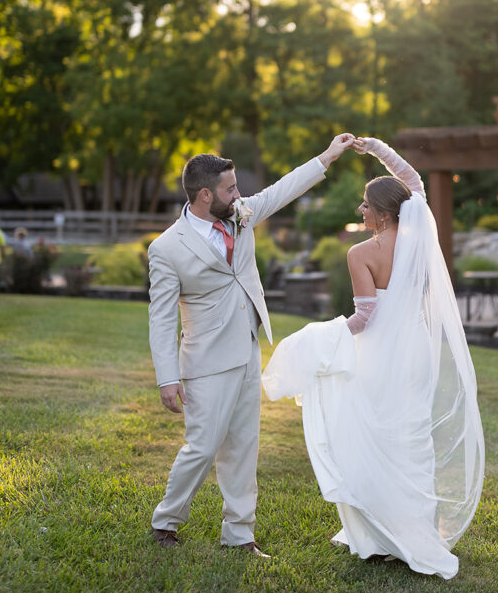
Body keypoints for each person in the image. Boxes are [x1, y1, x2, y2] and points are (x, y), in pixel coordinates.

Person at [262, 137, 484, 578]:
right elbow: (413, 181)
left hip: (381, 353)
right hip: (417, 351)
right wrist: (377, 148)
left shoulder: (362, 253)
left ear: (382, 214)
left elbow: (364, 317)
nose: (360, 211)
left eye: (365, 205)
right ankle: (412, 531)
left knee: (375, 436)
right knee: (411, 439)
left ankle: (383, 535)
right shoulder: (419, 234)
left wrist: (319, 337)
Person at [148, 133, 356, 555]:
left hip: (247, 351)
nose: (239, 194)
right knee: (204, 447)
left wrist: (328, 157)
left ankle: (239, 534)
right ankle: (166, 521)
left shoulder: (241, 214)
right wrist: (167, 378)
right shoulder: (166, 249)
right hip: (205, 361)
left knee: (243, 449)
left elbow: (282, 190)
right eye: (230, 188)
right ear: (205, 195)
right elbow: (161, 317)